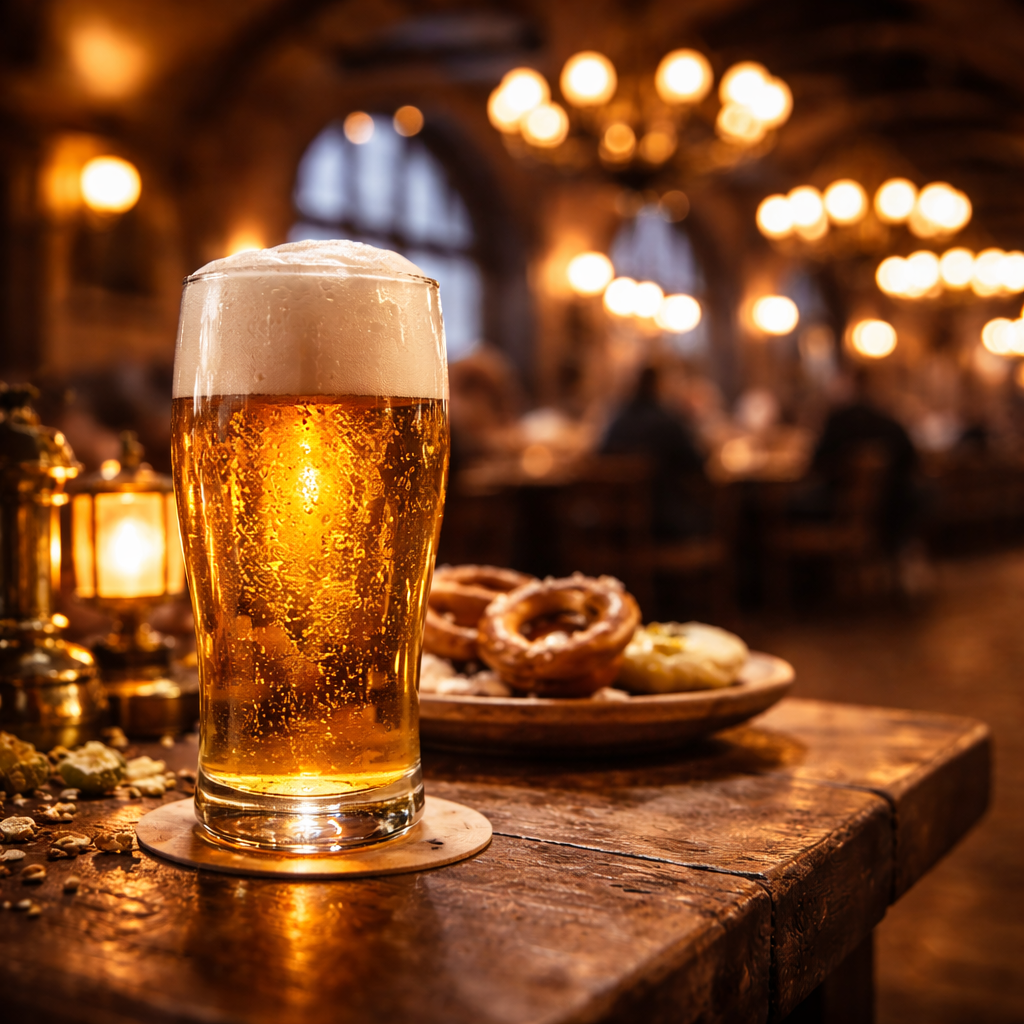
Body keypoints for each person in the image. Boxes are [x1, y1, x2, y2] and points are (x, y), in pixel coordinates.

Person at [600, 366, 707, 539]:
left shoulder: (616, 423)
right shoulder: (669, 423)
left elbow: (599, 462)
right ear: (658, 386)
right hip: (663, 522)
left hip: (614, 528)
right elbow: (698, 465)